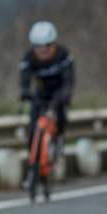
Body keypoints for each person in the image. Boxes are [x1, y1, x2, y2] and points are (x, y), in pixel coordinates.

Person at [19, 21, 75, 168]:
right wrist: (25, 92)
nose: (43, 51)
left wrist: (67, 93)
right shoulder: (29, 58)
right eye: (39, 47)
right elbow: (24, 78)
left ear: (54, 44)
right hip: (41, 92)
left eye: (47, 46)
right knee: (33, 124)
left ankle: (59, 140)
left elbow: (69, 79)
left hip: (59, 90)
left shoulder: (63, 55)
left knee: (60, 113)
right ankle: (33, 164)